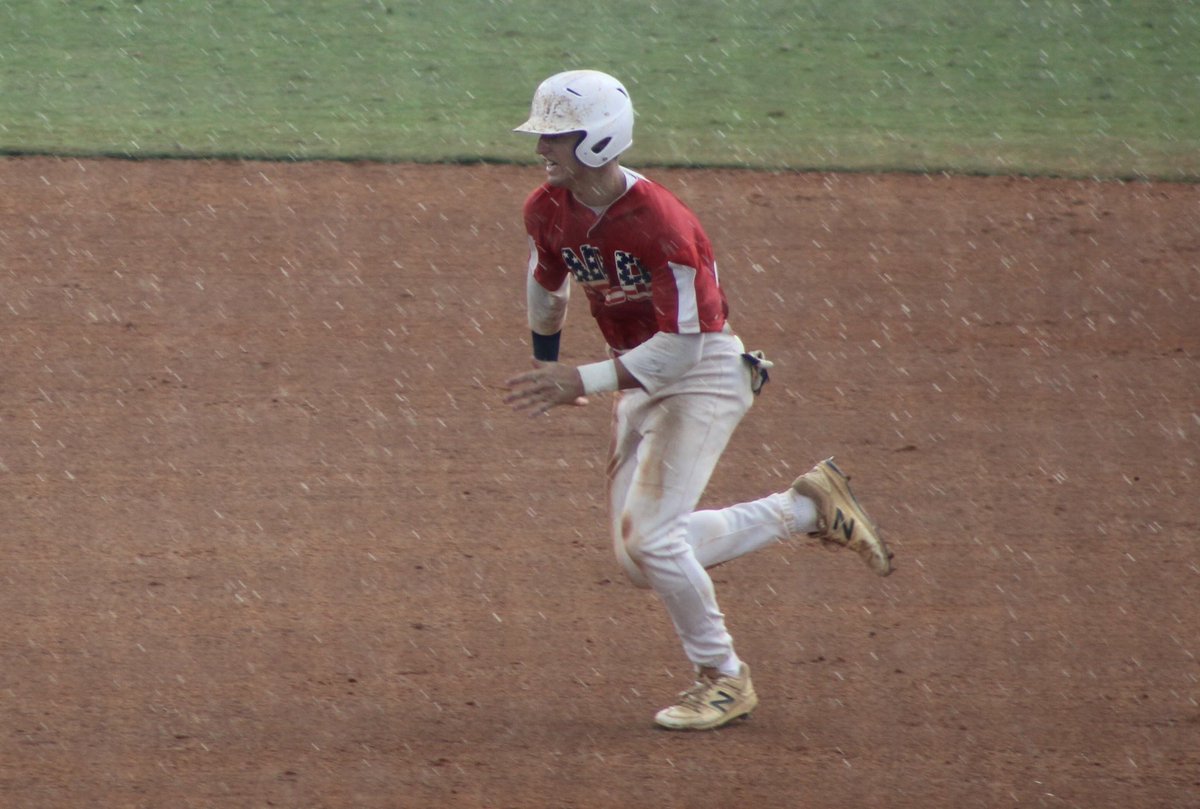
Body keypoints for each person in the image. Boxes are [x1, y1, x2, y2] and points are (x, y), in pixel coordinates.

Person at [503, 69, 893, 731]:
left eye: (556, 137)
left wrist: (582, 380)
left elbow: (683, 350)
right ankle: (808, 507)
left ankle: (724, 677)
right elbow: (548, 284)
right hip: (639, 374)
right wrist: (547, 359)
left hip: (702, 371)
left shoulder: (663, 226)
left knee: (654, 540)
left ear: (599, 140)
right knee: (640, 558)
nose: (542, 148)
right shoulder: (547, 209)